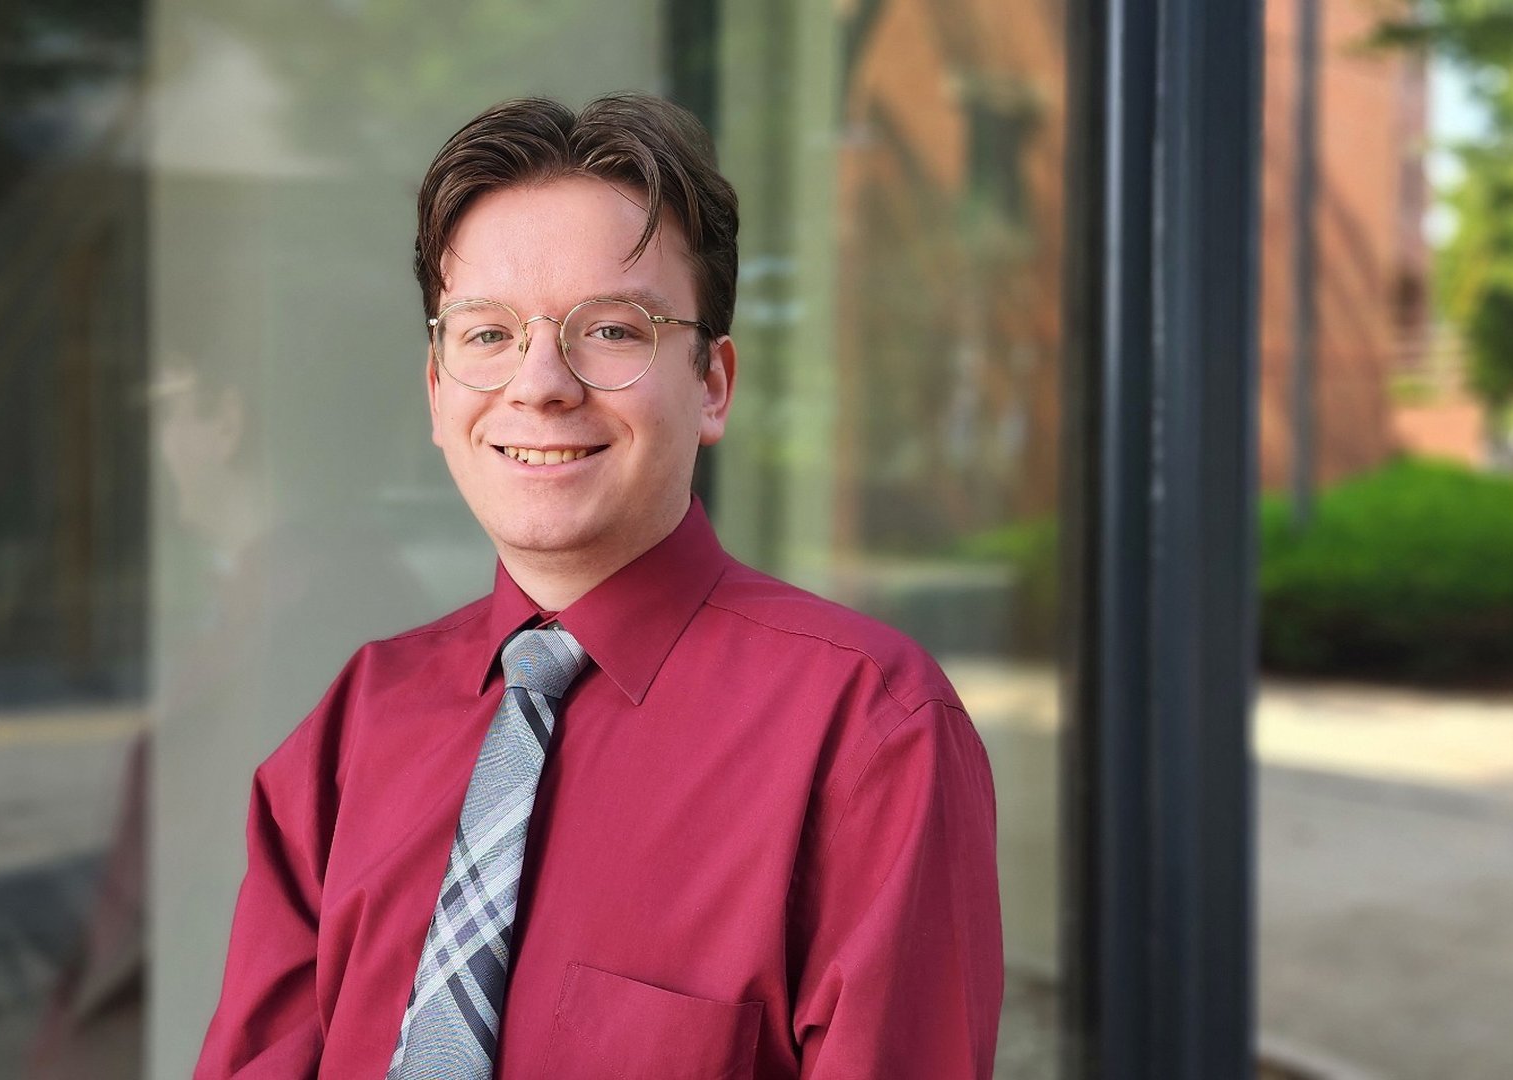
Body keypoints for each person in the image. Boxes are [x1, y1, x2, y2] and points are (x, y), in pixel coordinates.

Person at [196, 93, 1002, 1079]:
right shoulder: (351, 731)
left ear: (713, 384)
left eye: (612, 330)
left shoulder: (871, 732)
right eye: (487, 335)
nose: (540, 383)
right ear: (438, 394)